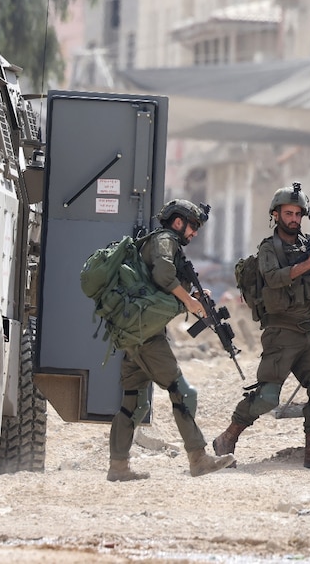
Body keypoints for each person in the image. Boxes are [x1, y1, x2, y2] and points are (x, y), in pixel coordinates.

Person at [212, 183, 310, 469]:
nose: (293, 218)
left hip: (307, 331)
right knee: (267, 397)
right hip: (280, 333)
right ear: (276, 215)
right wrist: (306, 265)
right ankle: (227, 438)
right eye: (288, 213)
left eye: (297, 214)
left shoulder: (308, 244)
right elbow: (272, 278)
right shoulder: (269, 248)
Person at [106, 199, 237, 482]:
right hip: (146, 335)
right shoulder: (166, 239)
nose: (195, 233)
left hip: (135, 332)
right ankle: (198, 458)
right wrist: (189, 301)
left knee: (133, 401)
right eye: (193, 227)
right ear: (178, 222)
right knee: (182, 391)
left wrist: (193, 299)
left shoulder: (159, 242)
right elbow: (163, 274)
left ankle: (118, 466)